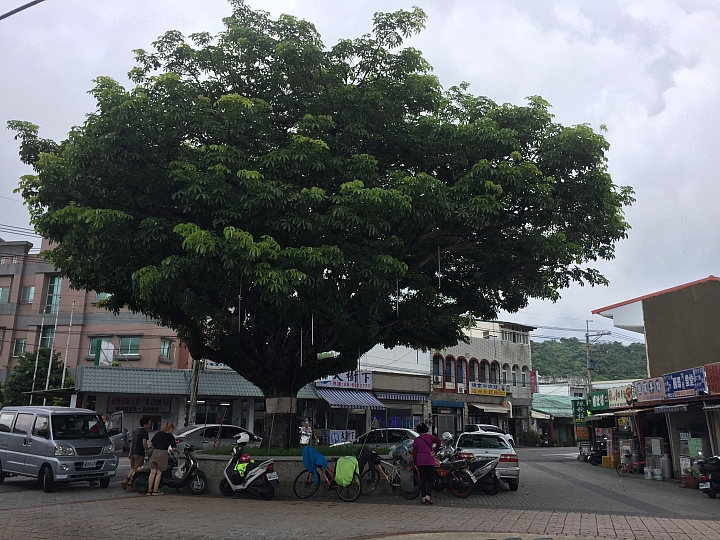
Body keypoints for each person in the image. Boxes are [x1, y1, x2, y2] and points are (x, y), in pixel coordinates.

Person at [411, 423, 442, 504]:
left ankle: (423, 497)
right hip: (429, 460)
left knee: (423, 479)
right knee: (431, 479)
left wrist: (415, 462)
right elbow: (439, 441)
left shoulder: (416, 440)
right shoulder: (430, 437)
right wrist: (434, 451)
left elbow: (414, 452)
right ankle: (428, 495)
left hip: (420, 460)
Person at [121, 416, 151, 491]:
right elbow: (144, 443)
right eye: (149, 424)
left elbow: (132, 443)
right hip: (139, 453)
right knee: (137, 469)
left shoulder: (135, 431)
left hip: (133, 452)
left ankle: (126, 480)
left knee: (132, 468)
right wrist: (147, 450)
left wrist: (130, 453)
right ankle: (130, 484)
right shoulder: (144, 432)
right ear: (145, 424)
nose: (150, 426)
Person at [147, 423, 177, 496]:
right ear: (170, 429)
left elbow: (151, 443)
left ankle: (149, 490)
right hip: (163, 454)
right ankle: (155, 490)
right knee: (159, 473)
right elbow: (174, 448)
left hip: (155, 453)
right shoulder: (170, 436)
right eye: (172, 429)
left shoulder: (158, 434)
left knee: (152, 473)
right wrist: (178, 451)